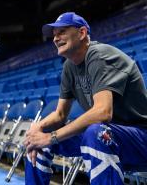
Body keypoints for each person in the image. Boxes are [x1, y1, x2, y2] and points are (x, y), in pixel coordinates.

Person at [24, 12, 147, 185]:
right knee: (38, 139)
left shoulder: (99, 55)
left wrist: (52, 137)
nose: (55, 38)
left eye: (62, 32)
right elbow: (60, 115)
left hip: (140, 137)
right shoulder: (69, 66)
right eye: (54, 35)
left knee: (95, 132)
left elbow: (103, 112)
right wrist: (39, 128)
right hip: (110, 136)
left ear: (82, 33)